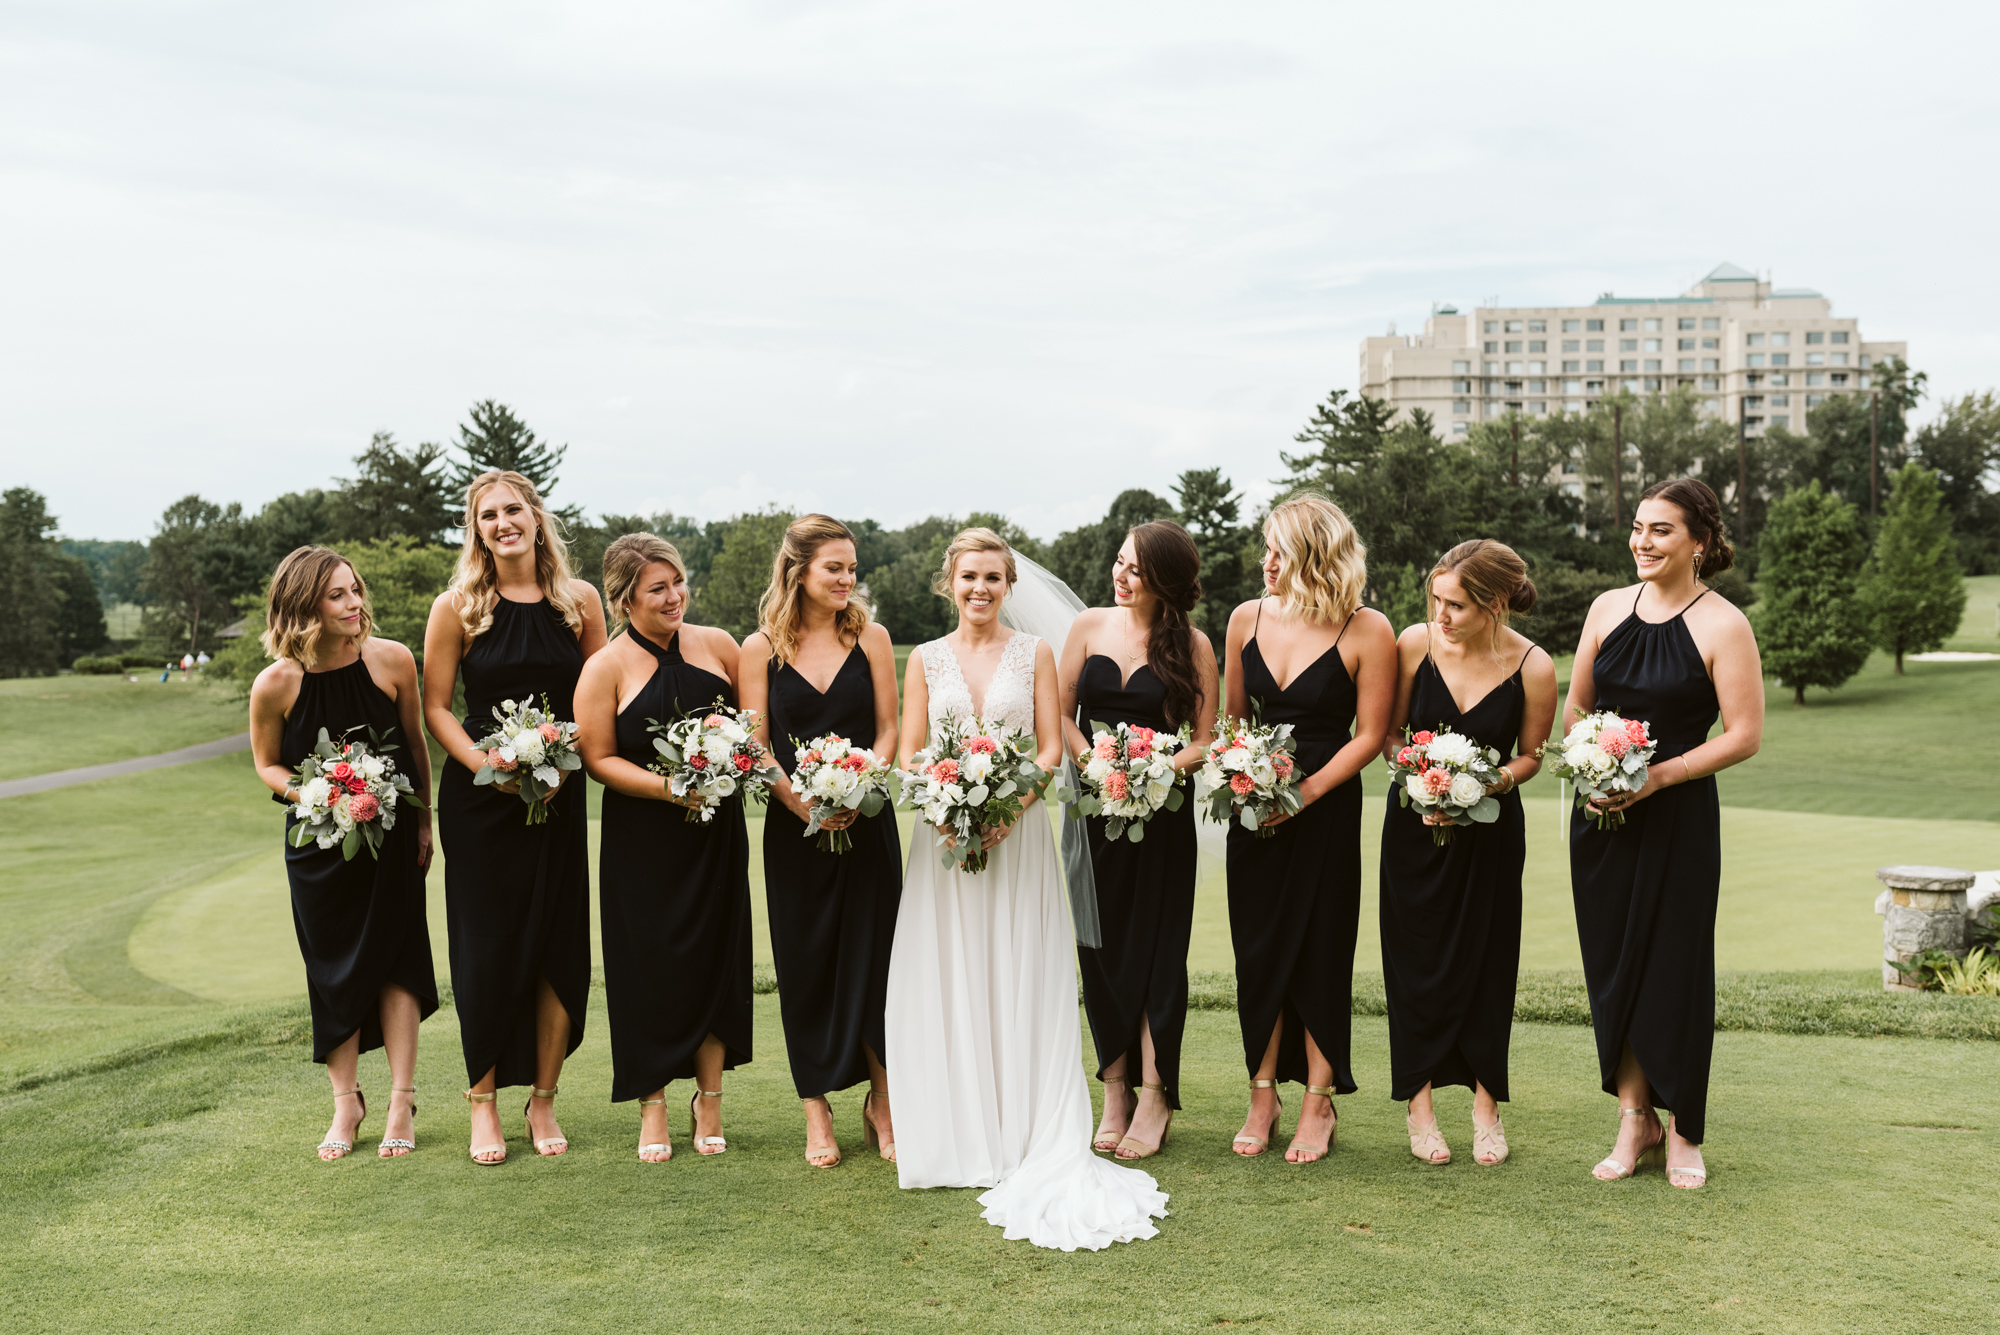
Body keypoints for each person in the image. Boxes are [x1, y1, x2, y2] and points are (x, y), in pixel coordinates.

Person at [885, 528, 1168, 1250]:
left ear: (1010, 584)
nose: (980, 588)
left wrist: (1008, 809)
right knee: (951, 974)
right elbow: (915, 749)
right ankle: (957, 1131)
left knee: (1018, 971)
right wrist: (946, 807)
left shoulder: (1035, 653)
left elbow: (1050, 745)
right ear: (948, 582)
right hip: (944, 843)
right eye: (969, 576)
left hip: (1019, 840)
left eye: (993, 577)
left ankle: (1021, 1130)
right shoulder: (922, 659)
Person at [1566, 478, 1763, 1189]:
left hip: (1677, 816)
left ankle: (1682, 1130)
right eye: (1638, 527)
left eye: (1661, 530)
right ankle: (1634, 1118)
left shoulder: (1723, 625)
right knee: (1613, 965)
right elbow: (1576, 711)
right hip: (1600, 817)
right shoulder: (1607, 608)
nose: (1642, 541)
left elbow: (1744, 735)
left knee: (1674, 969)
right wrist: (1599, 766)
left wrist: (1659, 774)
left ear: (1699, 543)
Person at [423, 471, 606, 1165]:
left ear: (535, 516)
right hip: (481, 801)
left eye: (513, 509)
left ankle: (545, 1098)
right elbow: (437, 704)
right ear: (477, 529)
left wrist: (561, 765)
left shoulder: (579, 601)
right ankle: (483, 1103)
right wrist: (487, 767)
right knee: (487, 950)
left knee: (558, 944)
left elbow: (600, 696)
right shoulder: (458, 606)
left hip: (559, 793)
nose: (503, 522)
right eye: (488, 515)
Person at [248, 547, 437, 1160]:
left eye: (356, 590)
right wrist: (315, 792)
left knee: (400, 958)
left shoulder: (393, 661)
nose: (355, 604)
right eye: (338, 595)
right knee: (331, 967)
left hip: (393, 836)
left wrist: (426, 822)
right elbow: (266, 765)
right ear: (305, 605)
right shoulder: (276, 683)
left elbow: (415, 746)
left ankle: (400, 1100)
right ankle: (345, 1102)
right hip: (317, 848)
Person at [1222, 493, 1395, 1163]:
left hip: (1324, 809)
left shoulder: (1365, 626)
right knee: (1257, 950)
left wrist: (1305, 793)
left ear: (1313, 557)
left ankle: (1319, 1100)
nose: (1265, 562)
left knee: (1322, 949)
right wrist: (1248, 778)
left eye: (1278, 551)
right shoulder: (1245, 618)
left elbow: (1371, 733)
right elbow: (1235, 722)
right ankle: (1262, 1094)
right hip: (1255, 807)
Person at [575, 534, 753, 1163]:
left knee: (715, 956)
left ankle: (710, 1099)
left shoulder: (721, 647)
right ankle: (652, 1103)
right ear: (625, 599)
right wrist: (672, 787)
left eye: (678, 581)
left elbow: (752, 734)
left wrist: (730, 761)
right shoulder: (604, 666)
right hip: (642, 841)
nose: (675, 595)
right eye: (658, 588)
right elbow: (597, 757)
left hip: (715, 836)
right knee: (644, 967)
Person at [1378, 540, 1556, 1166]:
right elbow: (1389, 734)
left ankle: (1487, 1106)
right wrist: (1419, 775)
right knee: (1414, 963)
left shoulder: (1533, 666)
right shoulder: (1410, 644)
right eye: (1437, 600)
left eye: (1456, 604)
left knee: (1488, 962)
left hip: (1492, 838)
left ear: (1495, 604)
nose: (1442, 614)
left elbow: (1531, 755)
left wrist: (1485, 783)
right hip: (1412, 829)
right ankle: (1419, 1106)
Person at [738, 515, 902, 1169]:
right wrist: (800, 799)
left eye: (852, 568)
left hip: (869, 824)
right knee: (805, 963)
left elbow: (889, 729)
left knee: (878, 961)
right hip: (793, 829)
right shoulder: (761, 648)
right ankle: (816, 1108)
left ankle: (883, 1103)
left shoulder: (873, 636)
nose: (847, 580)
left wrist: (860, 784)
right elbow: (757, 743)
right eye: (834, 567)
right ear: (799, 568)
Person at [1056, 521, 1216, 1161]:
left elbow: (1204, 740)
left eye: (1137, 570)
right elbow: (1061, 716)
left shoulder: (1194, 645)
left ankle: (1156, 1093)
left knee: (1157, 956)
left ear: (1165, 582)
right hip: (1094, 817)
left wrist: (1153, 772)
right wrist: (1099, 765)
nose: (1122, 577)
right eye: (1120, 564)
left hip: (1163, 821)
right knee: (1098, 950)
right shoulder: (1087, 628)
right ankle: (1114, 1089)